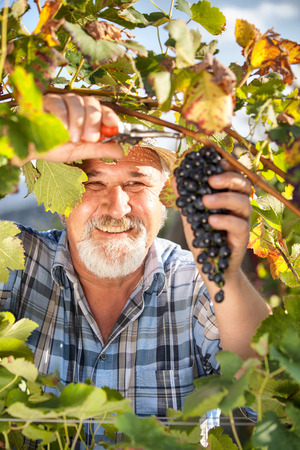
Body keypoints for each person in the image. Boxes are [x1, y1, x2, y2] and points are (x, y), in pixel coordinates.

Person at [1, 93, 270, 447]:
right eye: (92, 183)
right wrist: (12, 143)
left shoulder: (196, 283)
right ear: (63, 197)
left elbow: (264, 393)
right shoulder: (15, 259)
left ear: (167, 199)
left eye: (137, 183)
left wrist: (226, 278)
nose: (117, 208)